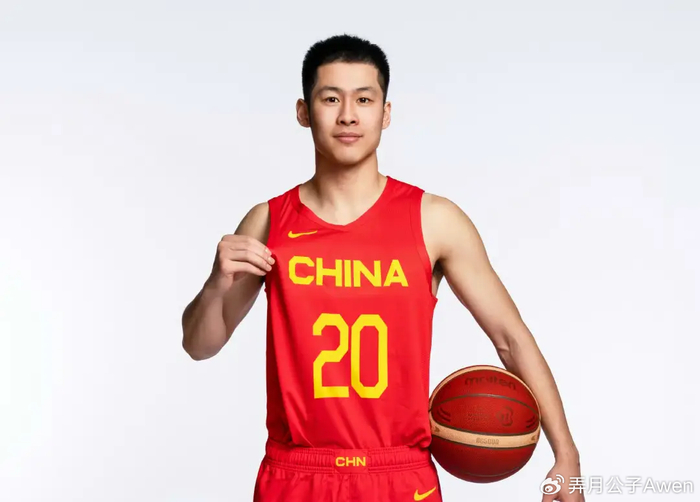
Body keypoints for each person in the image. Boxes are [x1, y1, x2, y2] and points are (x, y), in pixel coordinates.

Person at [181, 34, 584, 502]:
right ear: (304, 112)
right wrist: (215, 285)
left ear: (385, 113)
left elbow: (511, 339)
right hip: (296, 473)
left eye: (364, 99)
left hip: (399, 474)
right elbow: (199, 345)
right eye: (330, 98)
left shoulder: (434, 221)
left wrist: (567, 456)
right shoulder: (269, 221)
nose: (348, 115)